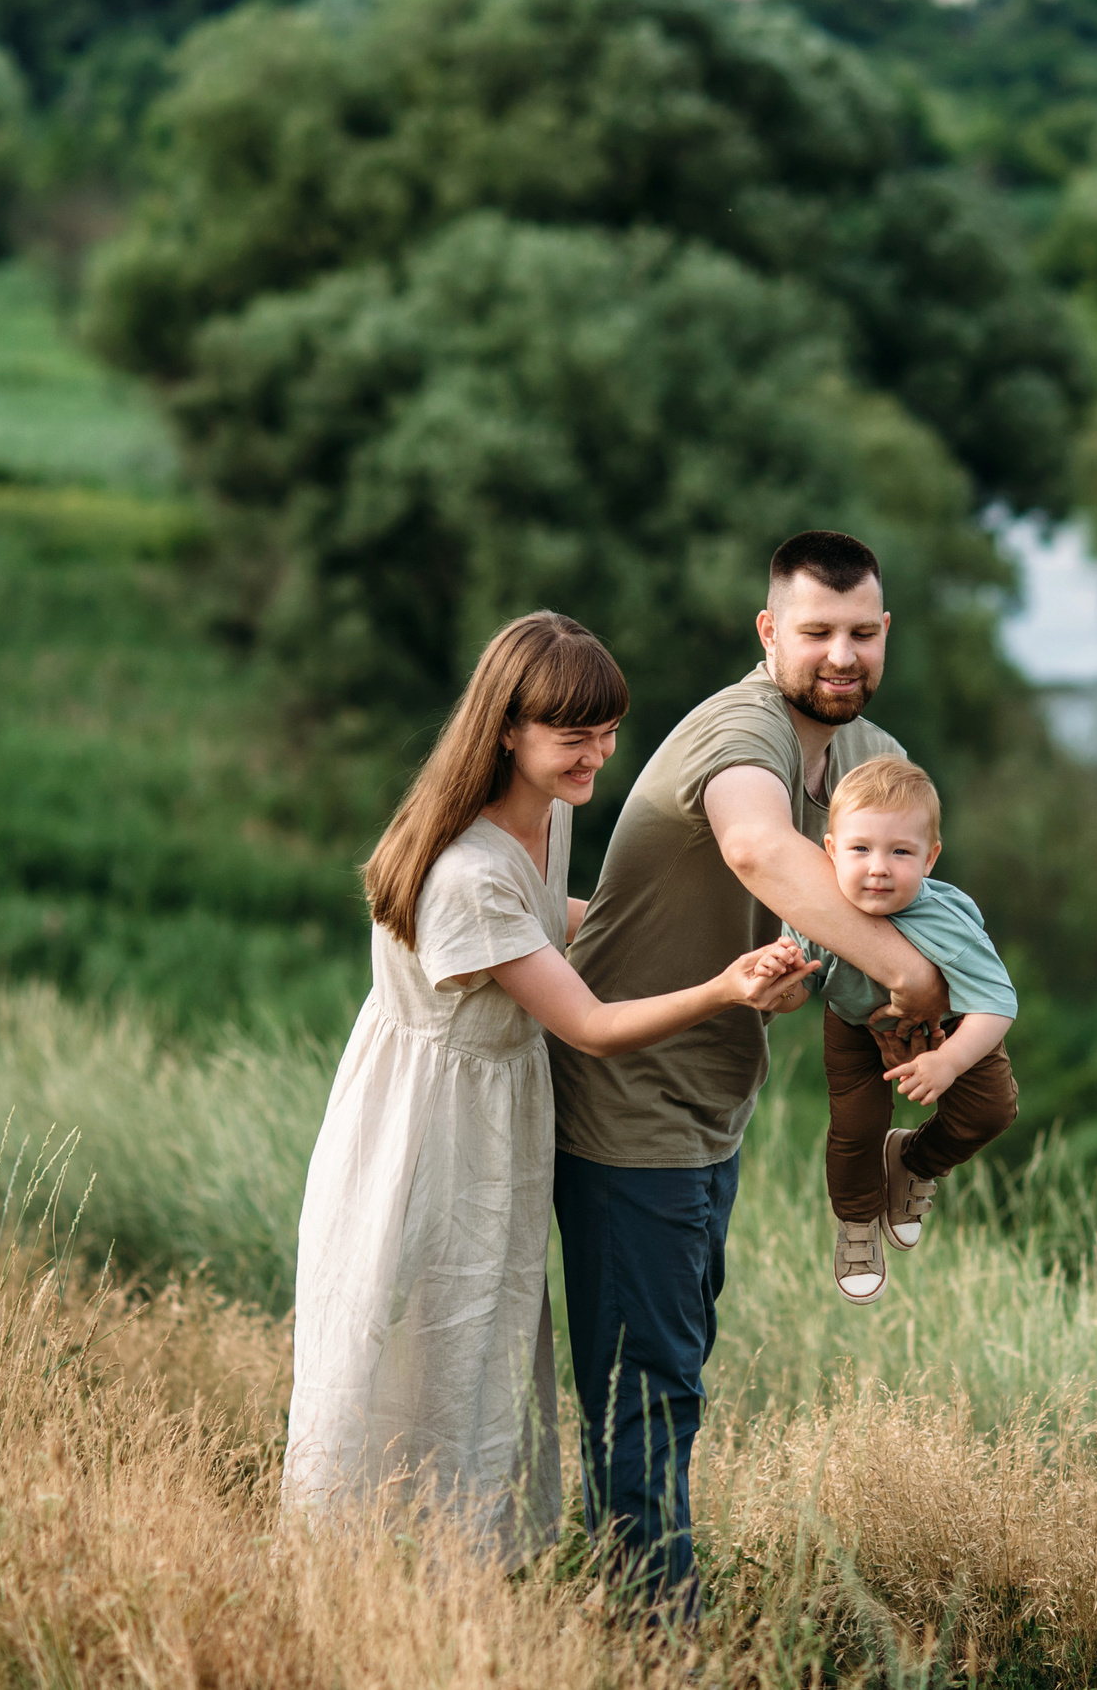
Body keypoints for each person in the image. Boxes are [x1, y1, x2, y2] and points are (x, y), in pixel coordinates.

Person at [282, 611, 806, 1560]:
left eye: (608, 731)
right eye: (576, 735)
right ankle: (374, 1573)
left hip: (494, 1111)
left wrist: (699, 940)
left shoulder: (546, 816)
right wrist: (726, 985)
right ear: (509, 729)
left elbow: (570, 923)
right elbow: (592, 1027)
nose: (598, 754)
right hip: (430, 1129)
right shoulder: (466, 871)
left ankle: (458, 1573)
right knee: (419, 1345)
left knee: (480, 1352)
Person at [550, 530, 951, 1607]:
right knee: (648, 1393)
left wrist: (931, 1012)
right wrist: (903, 972)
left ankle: (630, 1610)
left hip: (708, 1104)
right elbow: (758, 850)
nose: (840, 655)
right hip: (629, 1102)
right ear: (770, 632)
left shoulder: (864, 749)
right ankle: (650, 1642)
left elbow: (896, 880)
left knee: (667, 1381)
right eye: (815, 632)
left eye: (861, 633)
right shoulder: (743, 731)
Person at [781, 755, 1020, 1305]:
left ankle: (914, 1161)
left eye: (901, 852)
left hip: (954, 1027)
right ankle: (858, 1223)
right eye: (861, 849)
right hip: (854, 1023)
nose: (879, 868)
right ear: (831, 850)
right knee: (855, 1128)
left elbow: (998, 1003)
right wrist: (782, 979)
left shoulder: (944, 923)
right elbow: (797, 995)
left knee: (991, 1111)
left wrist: (950, 1061)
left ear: (930, 858)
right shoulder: (818, 911)